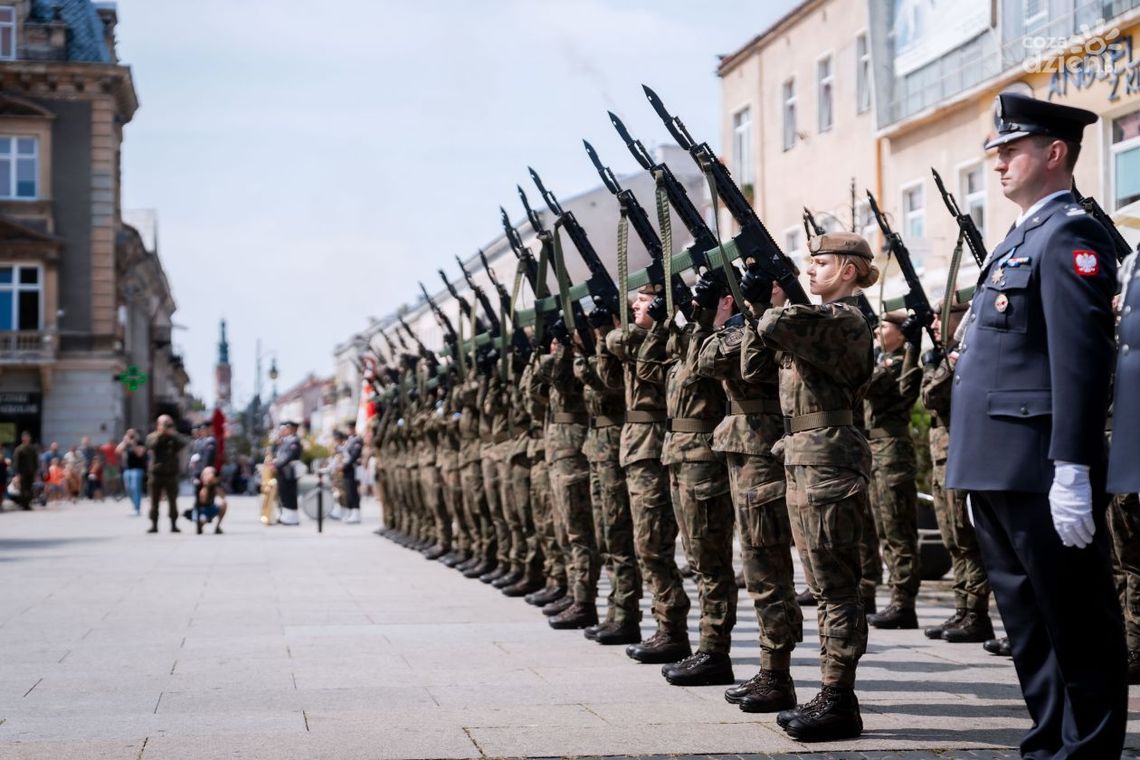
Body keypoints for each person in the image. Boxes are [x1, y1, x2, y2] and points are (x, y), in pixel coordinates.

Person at [947, 92, 1126, 758]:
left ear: (1055, 154)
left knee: (1074, 619)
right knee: (1027, 624)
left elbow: (1081, 359)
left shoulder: (1070, 235)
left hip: (1040, 463)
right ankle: (1051, 741)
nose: (998, 164)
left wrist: (1073, 466)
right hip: (994, 462)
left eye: (1012, 150)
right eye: (996, 152)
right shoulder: (1018, 237)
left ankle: (1090, 748)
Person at [746, 231, 877, 741]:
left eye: (821, 262)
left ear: (849, 270)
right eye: (807, 263)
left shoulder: (847, 320)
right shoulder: (816, 323)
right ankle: (829, 692)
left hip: (829, 461)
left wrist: (771, 298)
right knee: (821, 584)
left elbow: (777, 323)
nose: (811, 270)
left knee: (835, 586)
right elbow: (754, 359)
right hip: (804, 458)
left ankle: (839, 698)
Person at [863, 311, 923, 630]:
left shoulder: (901, 363)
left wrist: (915, 346)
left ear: (900, 334)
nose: (877, 331)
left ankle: (903, 602)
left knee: (897, 529)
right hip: (872, 450)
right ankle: (874, 592)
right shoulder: (880, 359)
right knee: (877, 529)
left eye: (884, 326)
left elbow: (901, 392)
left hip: (892, 452)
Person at [146, 414, 188, 533]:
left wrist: (173, 434)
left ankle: (174, 524)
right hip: (156, 474)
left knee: (173, 501)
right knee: (154, 501)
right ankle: (154, 525)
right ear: (158, 425)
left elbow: (184, 443)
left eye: (168, 424)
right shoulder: (152, 436)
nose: (166, 426)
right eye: (163, 424)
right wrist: (160, 434)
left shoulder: (173, 437)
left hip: (171, 474)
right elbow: (151, 445)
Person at [273, 421, 303, 525]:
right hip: (283, 471)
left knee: (290, 494)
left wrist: (277, 465)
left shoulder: (294, 441)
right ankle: (286, 515)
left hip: (289, 471)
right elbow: (279, 454)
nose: (286, 430)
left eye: (288, 428)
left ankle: (292, 517)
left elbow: (289, 457)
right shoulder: (285, 441)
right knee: (284, 494)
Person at [186, 465, 227, 535]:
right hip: (199, 510)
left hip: (210, 508)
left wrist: (216, 487)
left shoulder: (214, 485)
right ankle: (200, 525)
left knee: (224, 504)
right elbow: (203, 499)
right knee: (202, 518)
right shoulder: (199, 484)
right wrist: (207, 486)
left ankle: (217, 527)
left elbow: (223, 496)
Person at [117, 429, 147, 517]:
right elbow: (118, 451)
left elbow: (140, 453)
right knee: (128, 490)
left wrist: (133, 444)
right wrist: (124, 442)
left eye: (132, 434)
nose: (130, 436)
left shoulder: (140, 443)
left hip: (137, 469)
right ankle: (135, 506)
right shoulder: (125, 444)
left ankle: (137, 509)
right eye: (128, 434)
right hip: (127, 469)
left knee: (135, 489)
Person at [13, 431, 38, 511]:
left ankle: (27, 504)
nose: (27, 439)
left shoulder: (32, 449)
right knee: (23, 489)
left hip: (30, 472)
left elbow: (35, 461)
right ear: (22, 438)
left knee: (30, 488)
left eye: (28, 437)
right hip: (22, 473)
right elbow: (16, 462)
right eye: (25, 437)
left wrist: (35, 472)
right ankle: (23, 504)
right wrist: (17, 474)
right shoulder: (19, 449)